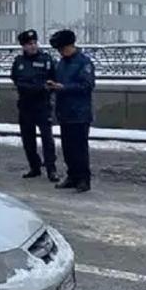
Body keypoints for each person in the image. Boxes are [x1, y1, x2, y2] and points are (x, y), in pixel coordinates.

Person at [47, 29, 94, 193]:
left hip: (80, 114)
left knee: (79, 148)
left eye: (62, 49)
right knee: (67, 148)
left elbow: (87, 86)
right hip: (65, 113)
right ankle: (72, 176)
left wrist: (64, 87)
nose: (60, 52)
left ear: (70, 46)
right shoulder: (62, 63)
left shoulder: (83, 62)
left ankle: (83, 179)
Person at [10, 29, 59, 183]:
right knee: (28, 139)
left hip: (43, 105)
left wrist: (45, 88)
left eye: (34, 43)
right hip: (26, 106)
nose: (32, 46)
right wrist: (39, 87)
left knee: (47, 139)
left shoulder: (47, 60)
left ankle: (51, 169)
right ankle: (34, 167)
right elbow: (18, 83)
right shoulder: (19, 62)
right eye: (28, 44)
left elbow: (53, 80)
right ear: (23, 46)